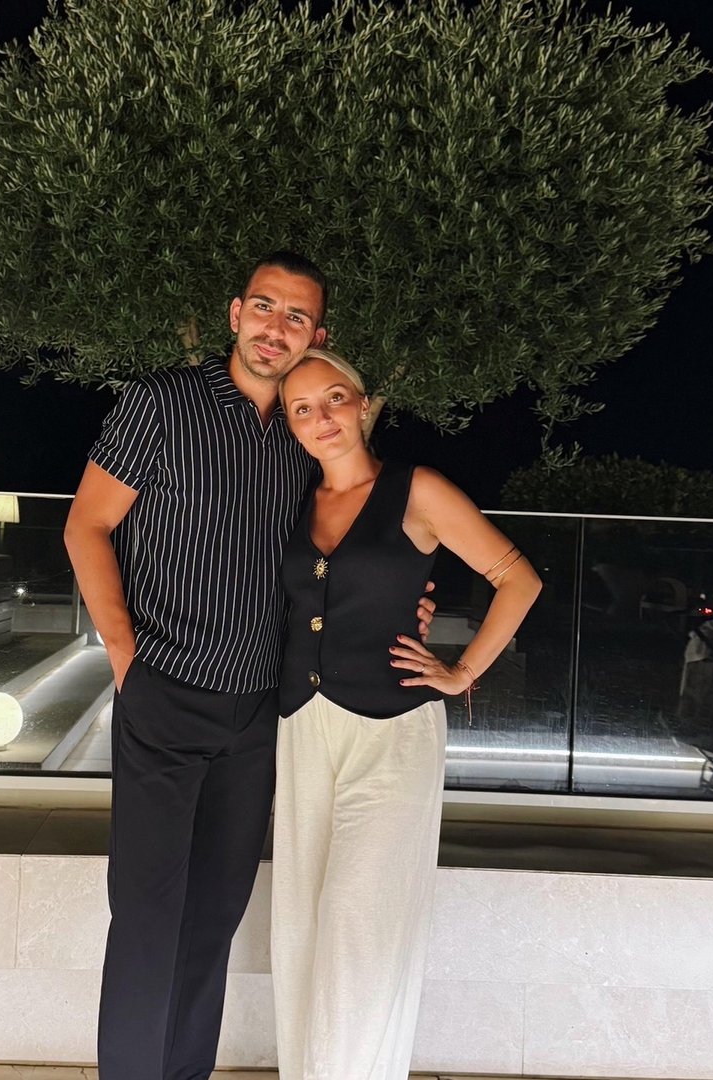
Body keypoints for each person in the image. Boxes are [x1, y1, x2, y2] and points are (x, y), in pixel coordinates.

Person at [64, 252, 435, 1080]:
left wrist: (405, 602)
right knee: (148, 921)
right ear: (236, 314)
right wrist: (125, 659)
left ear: (317, 335)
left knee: (213, 923)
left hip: (261, 714)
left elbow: (352, 548)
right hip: (165, 693)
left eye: (296, 316)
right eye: (264, 307)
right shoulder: (161, 404)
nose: (276, 327)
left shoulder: (307, 436)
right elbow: (86, 526)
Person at [271, 348, 541, 1080]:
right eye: (302, 408)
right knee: (299, 922)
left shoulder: (416, 488)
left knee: (359, 922)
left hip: (392, 733)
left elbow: (517, 578)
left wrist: (462, 672)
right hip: (302, 727)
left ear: (363, 405)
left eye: (334, 398)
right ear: (291, 425)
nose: (322, 418)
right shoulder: (293, 500)